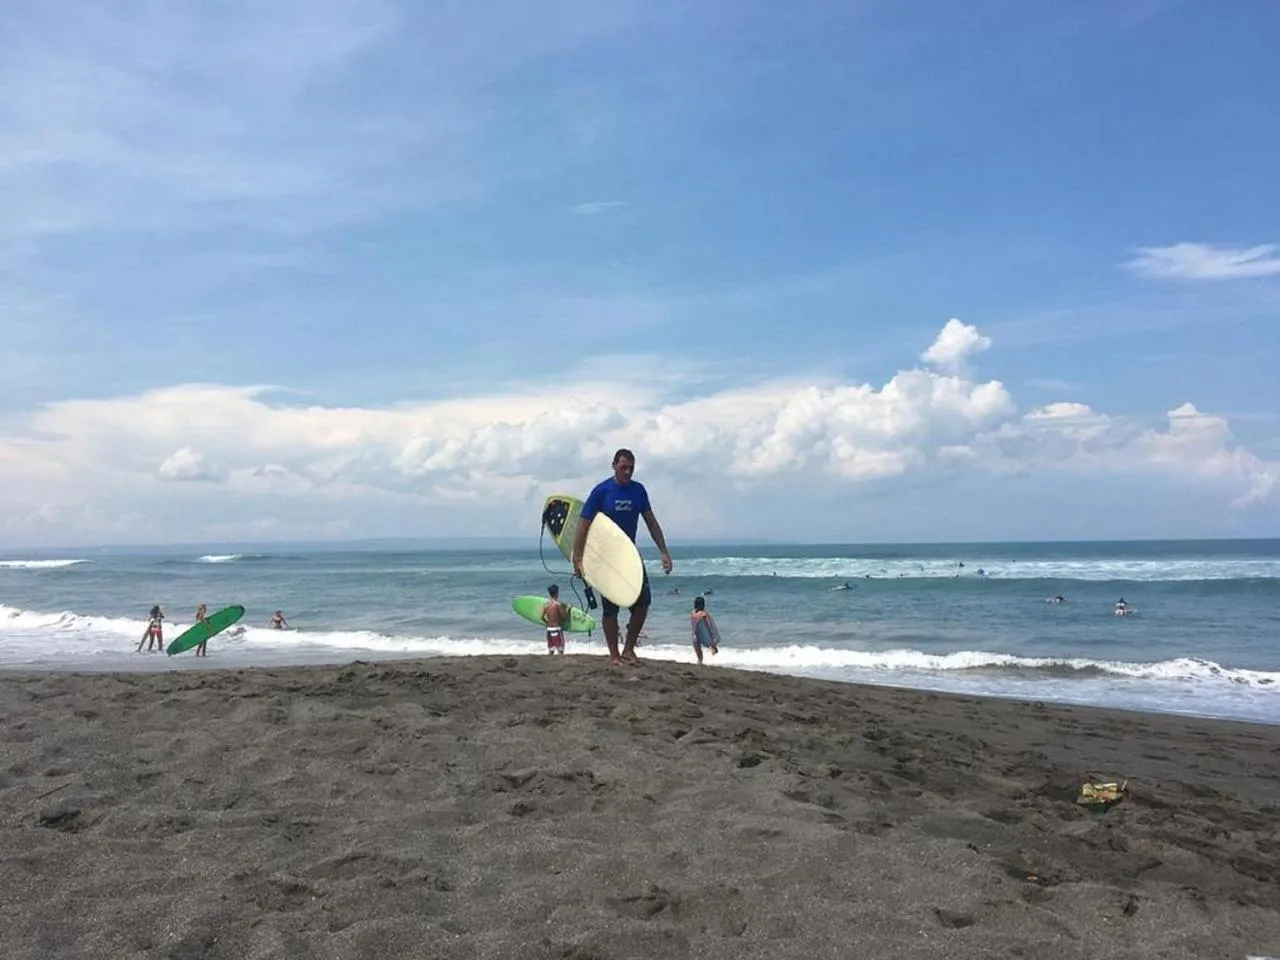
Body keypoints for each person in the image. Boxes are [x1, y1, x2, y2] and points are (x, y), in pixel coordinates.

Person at [571, 448, 672, 666]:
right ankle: (614, 655)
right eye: (623, 467)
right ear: (614, 465)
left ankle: (628, 649)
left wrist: (663, 551)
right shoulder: (601, 491)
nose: (627, 472)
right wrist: (577, 558)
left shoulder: (638, 491)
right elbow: (583, 526)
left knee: (643, 602)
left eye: (631, 468)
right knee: (611, 608)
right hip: (607, 559)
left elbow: (651, 522)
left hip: (629, 555)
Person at [690, 595, 719, 665]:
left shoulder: (692, 613)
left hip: (694, 635)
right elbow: (708, 626)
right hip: (701, 634)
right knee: (710, 645)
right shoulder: (704, 614)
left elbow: (693, 624)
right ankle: (713, 648)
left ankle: (699, 664)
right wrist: (712, 636)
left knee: (699, 656)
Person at [541, 585, 568, 655]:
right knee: (560, 650)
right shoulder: (559, 605)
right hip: (557, 629)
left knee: (551, 650)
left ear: (549, 594)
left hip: (549, 629)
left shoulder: (546, 605)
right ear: (557, 593)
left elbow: (541, 617)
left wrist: (547, 623)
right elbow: (564, 616)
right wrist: (568, 609)